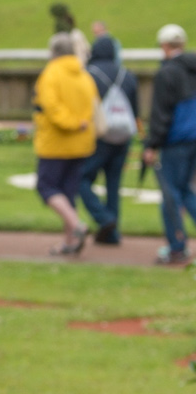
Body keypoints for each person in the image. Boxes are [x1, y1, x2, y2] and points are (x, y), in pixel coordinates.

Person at [31, 31, 98, 255]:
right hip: (82, 142)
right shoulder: (83, 75)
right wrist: (81, 124)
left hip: (56, 143)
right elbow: (93, 105)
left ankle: (76, 225)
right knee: (68, 192)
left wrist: (72, 123)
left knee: (46, 186)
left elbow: (51, 108)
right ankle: (70, 241)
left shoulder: (51, 74)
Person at [75, 24, 138, 246]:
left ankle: (104, 218)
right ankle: (112, 233)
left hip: (99, 136)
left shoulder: (89, 74)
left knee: (80, 178)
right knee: (113, 185)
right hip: (123, 136)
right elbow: (135, 110)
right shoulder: (127, 74)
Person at [143, 23, 196, 266]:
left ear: (164, 46)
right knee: (185, 190)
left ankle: (177, 247)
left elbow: (161, 114)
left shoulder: (167, 72)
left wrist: (151, 144)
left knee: (170, 194)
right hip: (193, 139)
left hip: (175, 141)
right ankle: (177, 244)